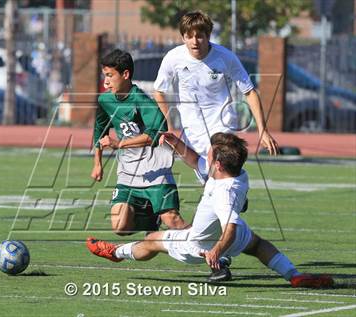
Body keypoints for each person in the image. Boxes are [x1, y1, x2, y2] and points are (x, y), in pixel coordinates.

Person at [86, 133, 333, 289]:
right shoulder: (237, 173)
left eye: (211, 153)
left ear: (218, 164)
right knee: (258, 245)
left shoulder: (223, 192)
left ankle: (117, 252)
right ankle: (294, 275)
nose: (207, 154)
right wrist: (176, 144)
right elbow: (196, 162)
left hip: (199, 244)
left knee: (151, 241)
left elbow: (231, 227)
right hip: (228, 235)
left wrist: (216, 251)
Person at [154, 10, 279, 183]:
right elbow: (159, 91)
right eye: (189, 36)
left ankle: (237, 191)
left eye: (199, 36)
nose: (194, 41)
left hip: (222, 126)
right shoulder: (173, 58)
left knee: (222, 177)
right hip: (192, 130)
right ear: (183, 38)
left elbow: (249, 92)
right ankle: (237, 193)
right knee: (209, 182)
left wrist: (262, 130)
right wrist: (168, 126)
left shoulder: (226, 57)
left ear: (208, 36)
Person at [91, 49, 188, 236]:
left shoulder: (142, 100)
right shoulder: (105, 100)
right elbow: (99, 132)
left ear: (125, 74)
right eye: (104, 76)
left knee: (173, 221)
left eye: (110, 76)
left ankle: (210, 249)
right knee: (120, 226)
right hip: (127, 174)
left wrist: (120, 144)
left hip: (156, 172)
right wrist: (97, 163)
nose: (105, 82)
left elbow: (157, 133)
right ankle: (152, 219)